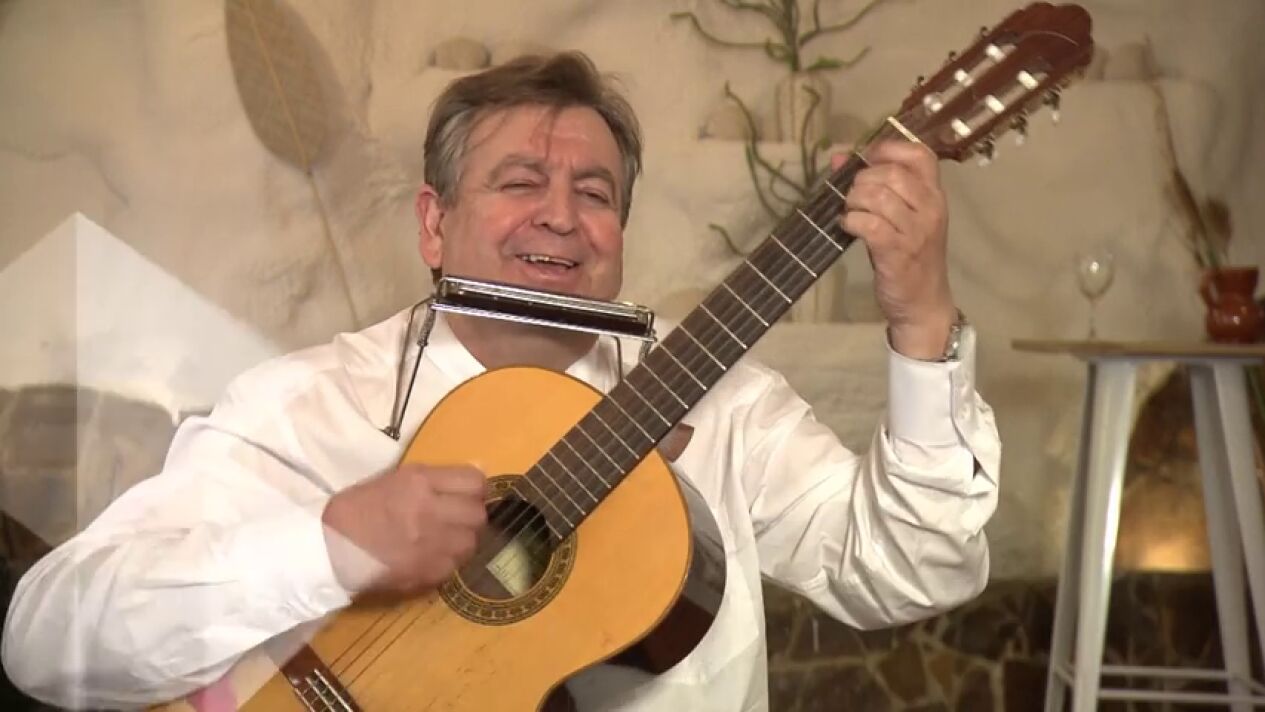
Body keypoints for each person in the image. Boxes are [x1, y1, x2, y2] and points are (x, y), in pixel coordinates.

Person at [2, 51, 999, 711]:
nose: (560, 216)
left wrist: (921, 324)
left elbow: (914, 571)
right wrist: (327, 547)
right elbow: (49, 638)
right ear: (434, 225)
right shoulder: (309, 408)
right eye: (520, 182)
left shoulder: (724, 402)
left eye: (593, 192)